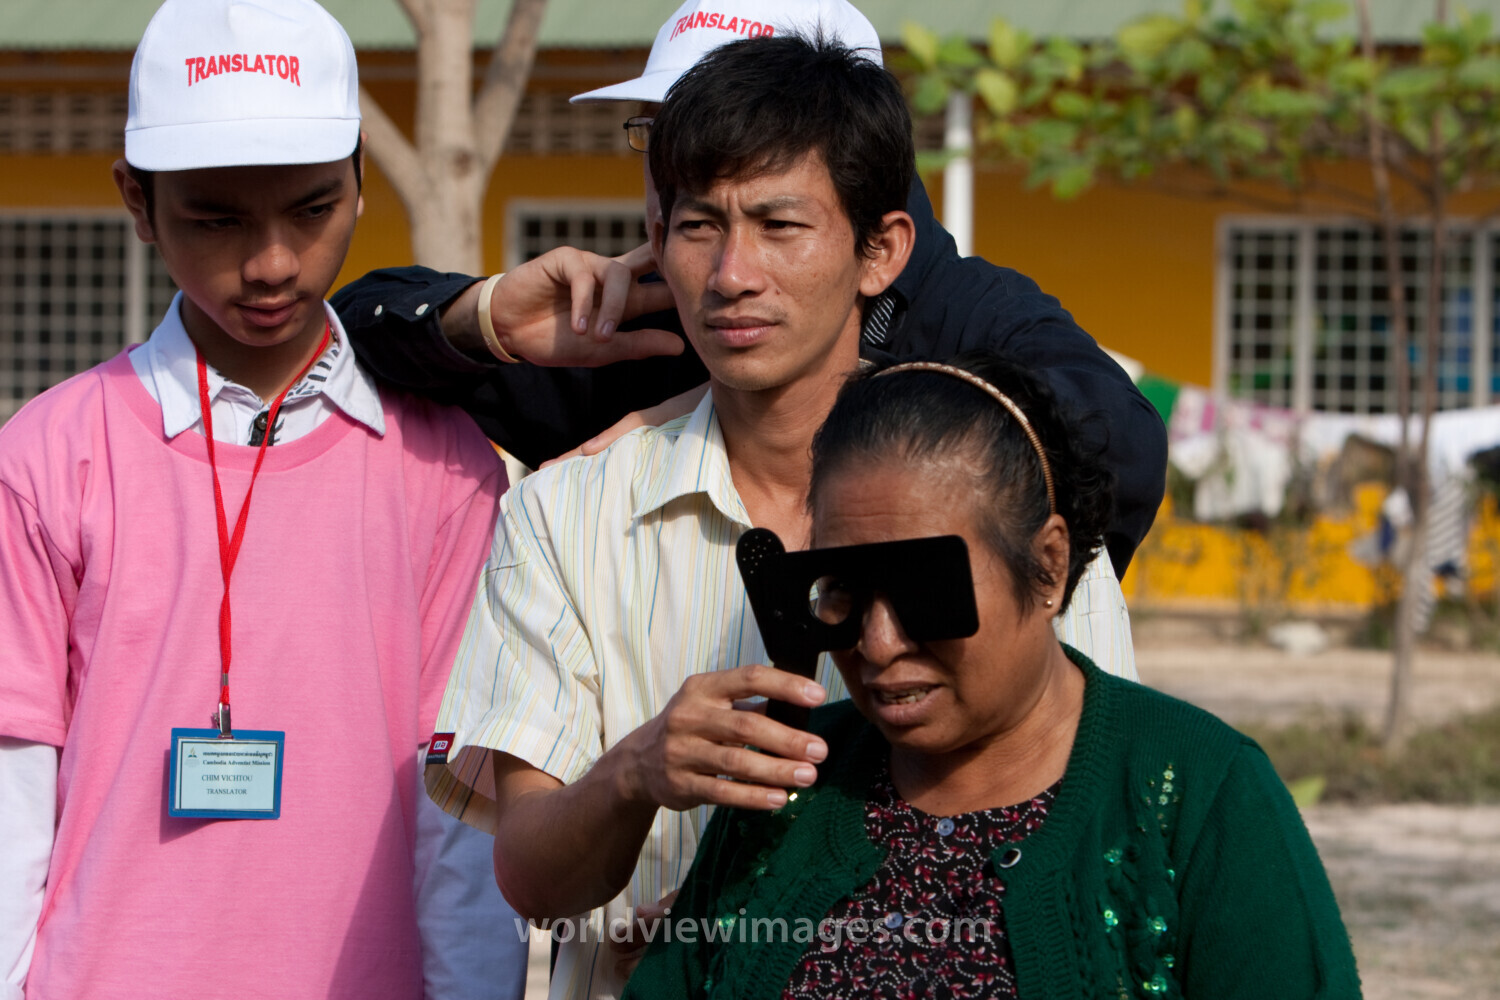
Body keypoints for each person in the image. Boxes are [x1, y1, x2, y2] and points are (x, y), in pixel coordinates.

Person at [423, 34, 1139, 1000]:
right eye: (698, 226)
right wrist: (637, 772)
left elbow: (1106, 836)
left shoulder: (1016, 502)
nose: (731, 275)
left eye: (780, 225)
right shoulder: (564, 515)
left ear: (879, 250)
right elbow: (535, 884)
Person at [0, 1, 652, 996]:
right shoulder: (48, 456)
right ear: (136, 201)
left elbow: (457, 828)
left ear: (357, 180)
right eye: (215, 218)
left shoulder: (445, 468)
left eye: (311, 209)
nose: (269, 261)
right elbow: (12, 803)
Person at [331, 0, 1164, 676]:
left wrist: (757, 405)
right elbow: (359, 329)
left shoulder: (970, 308)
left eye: (750, 140)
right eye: (661, 137)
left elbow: (1115, 448)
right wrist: (482, 318)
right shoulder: (644, 316)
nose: (688, 171)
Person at [621, 351, 1363, 1000]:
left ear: (1046, 567)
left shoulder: (1202, 794)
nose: (878, 644)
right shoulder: (784, 785)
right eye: (843, 589)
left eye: (926, 590)